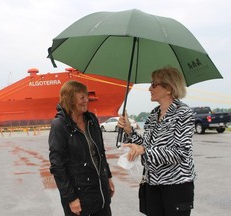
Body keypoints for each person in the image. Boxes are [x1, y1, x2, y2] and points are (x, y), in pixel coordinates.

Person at [118, 67, 196, 216]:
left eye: (154, 84)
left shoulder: (183, 113)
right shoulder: (154, 114)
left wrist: (145, 151)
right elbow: (146, 145)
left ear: (168, 88)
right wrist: (129, 131)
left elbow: (181, 152)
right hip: (152, 183)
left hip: (176, 186)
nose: (149, 88)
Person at [48, 80, 115, 216]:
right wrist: (70, 198)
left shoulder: (91, 120)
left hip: (100, 190)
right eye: (82, 97)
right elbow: (57, 165)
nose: (86, 101)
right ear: (70, 100)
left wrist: (107, 176)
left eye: (86, 97)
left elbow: (100, 153)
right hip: (79, 195)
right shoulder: (60, 125)